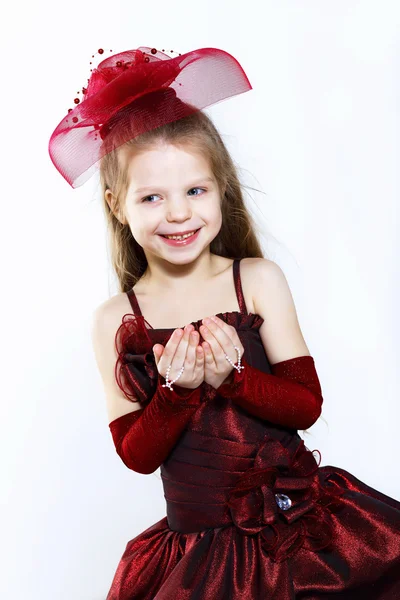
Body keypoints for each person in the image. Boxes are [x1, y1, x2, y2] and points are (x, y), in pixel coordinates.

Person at [49, 46, 400, 599]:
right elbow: (137, 456)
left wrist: (234, 377)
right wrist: (176, 392)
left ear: (220, 188)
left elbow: (307, 405)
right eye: (151, 197)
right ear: (119, 205)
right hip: (200, 561)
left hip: (296, 539)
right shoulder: (116, 319)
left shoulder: (257, 281)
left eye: (195, 190)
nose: (179, 213)